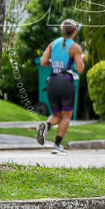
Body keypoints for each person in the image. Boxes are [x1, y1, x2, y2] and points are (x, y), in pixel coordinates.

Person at [37, 19, 85, 155]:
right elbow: (80, 69)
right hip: (66, 82)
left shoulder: (53, 44)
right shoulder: (75, 47)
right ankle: (57, 145)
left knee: (56, 115)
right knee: (66, 116)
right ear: (74, 32)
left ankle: (46, 125)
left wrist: (56, 64)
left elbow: (43, 61)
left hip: (52, 81)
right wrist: (82, 58)